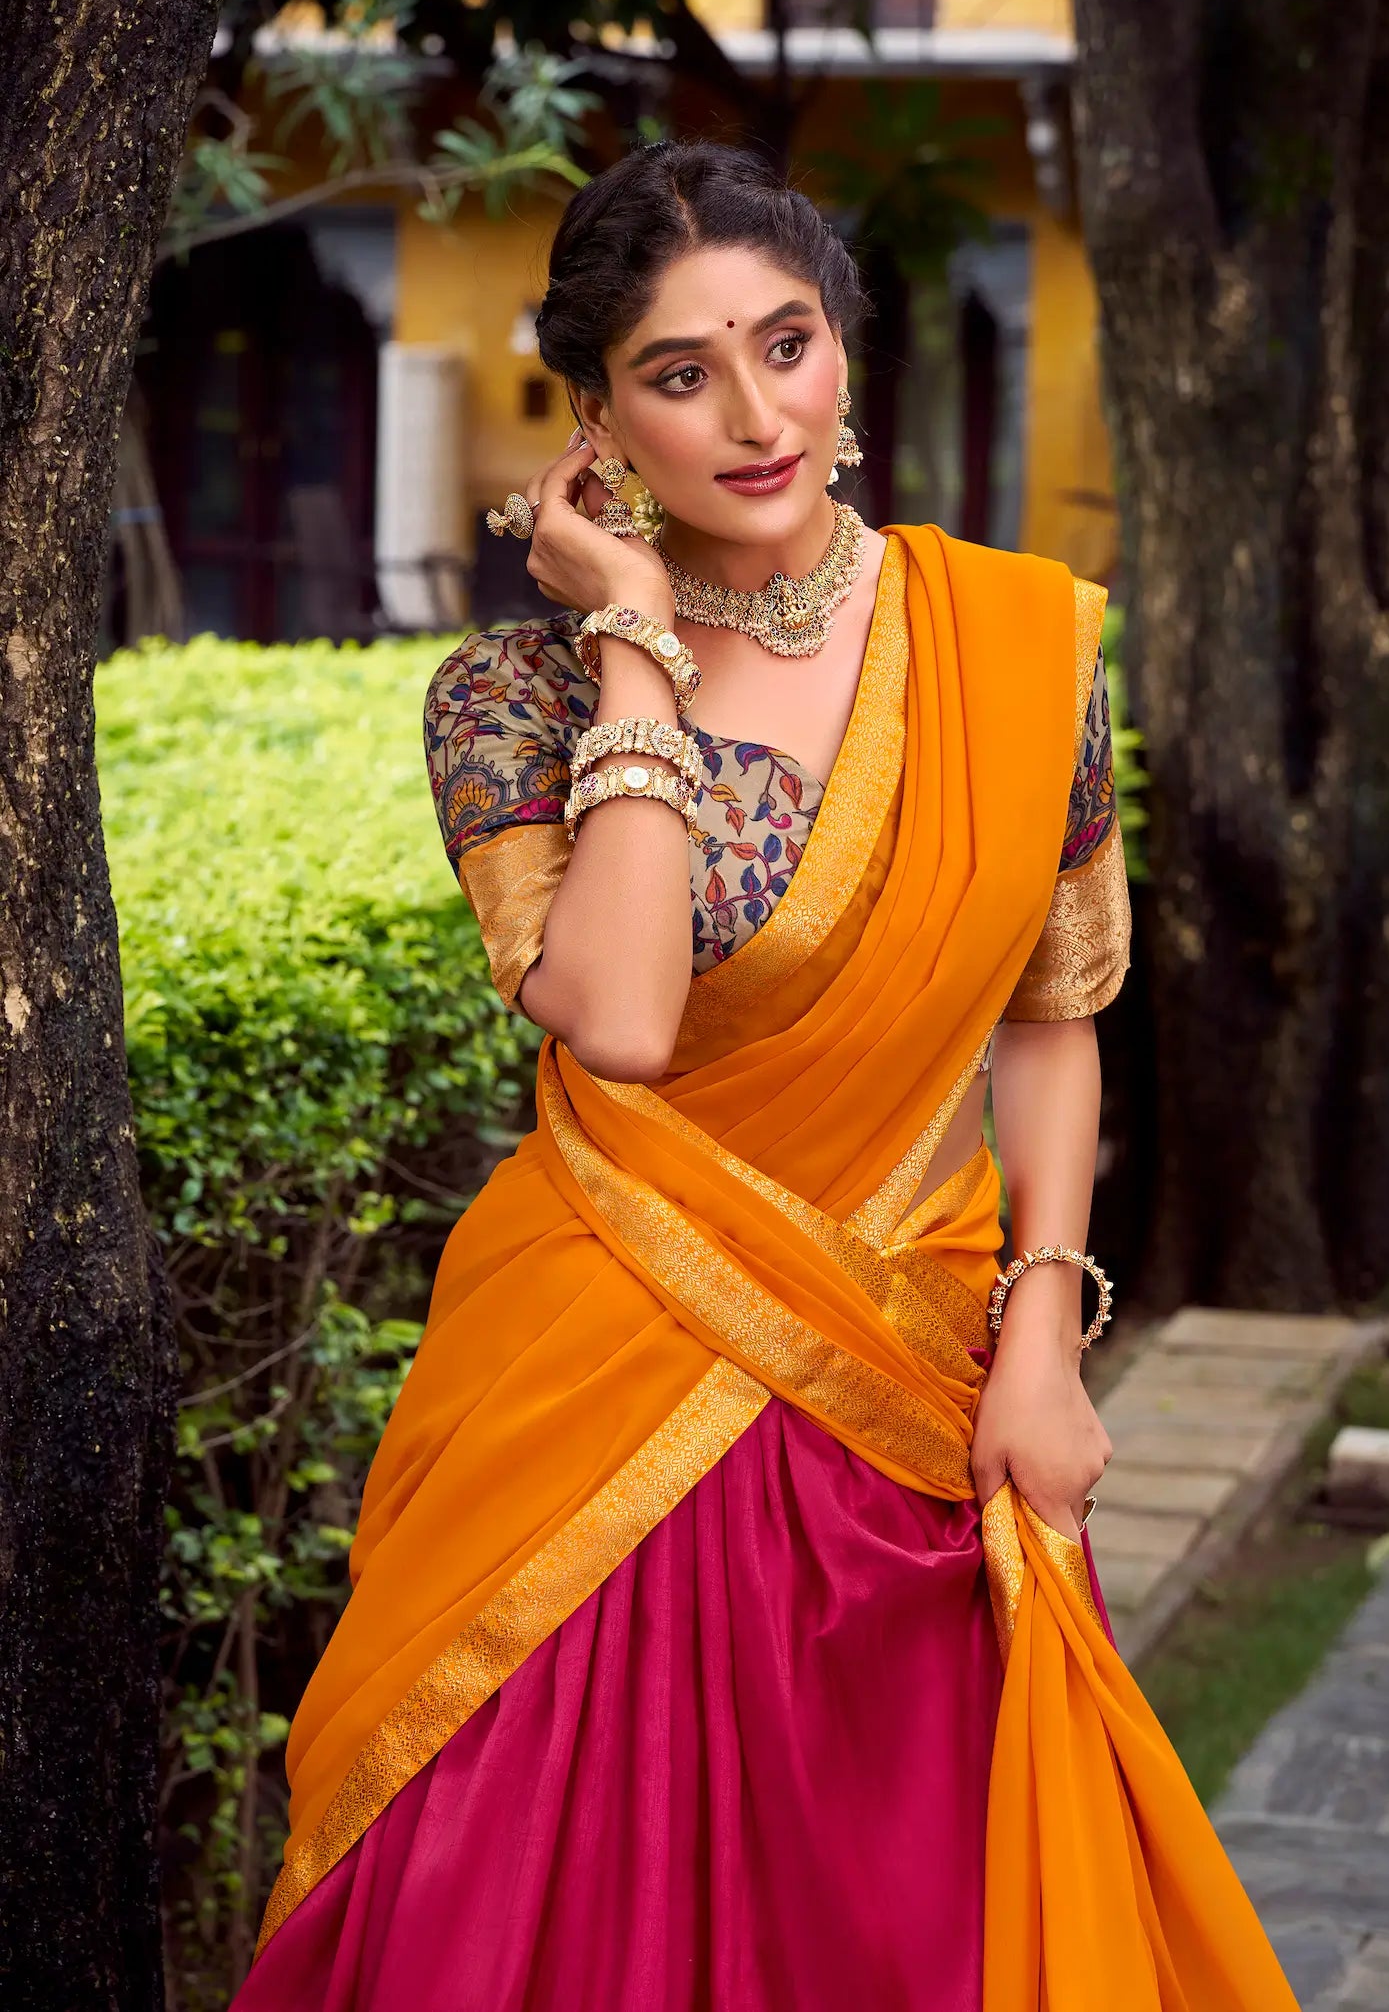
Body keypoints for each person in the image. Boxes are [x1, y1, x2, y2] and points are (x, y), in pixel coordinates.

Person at [236, 143, 1296, 2010]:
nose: (753, 414)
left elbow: (1051, 1017)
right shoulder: (517, 694)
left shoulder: (1018, 647)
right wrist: (637, 647)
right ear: (598, 417)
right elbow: (624, 1018)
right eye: (679, 372)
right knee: (542, 1907)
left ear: (846, 350)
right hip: (589, 1379)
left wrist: (1046, 1337)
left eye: (785, 343)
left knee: (899, 1909)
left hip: (910, 1377)